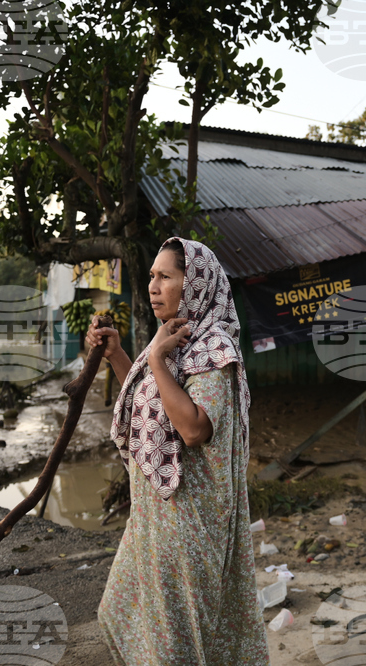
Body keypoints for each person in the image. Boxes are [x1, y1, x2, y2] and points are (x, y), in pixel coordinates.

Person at [86, 237, 268, 665]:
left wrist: (152, 359)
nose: (153, 286)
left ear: (195, 285)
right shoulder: (175, 342)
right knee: (120, 610)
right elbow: (158, 404)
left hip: (187, 525)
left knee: (173, 645)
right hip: (154, 519)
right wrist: (119, 358)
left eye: (165, 277)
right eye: (151, 276)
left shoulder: (214, 350)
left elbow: (191, 428)